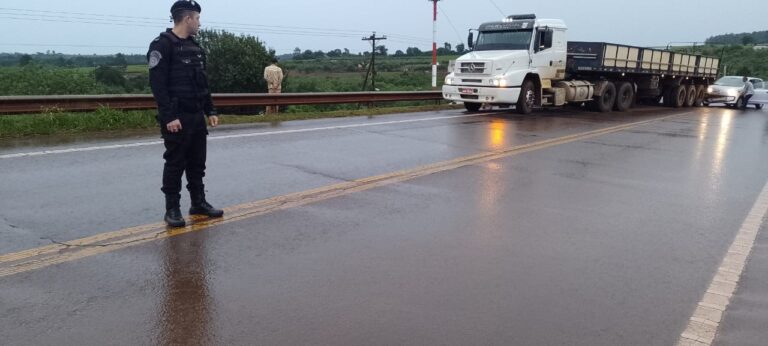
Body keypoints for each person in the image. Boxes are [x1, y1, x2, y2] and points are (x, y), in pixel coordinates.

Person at [147, 0, 223, 227]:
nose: (199, 23)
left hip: (196, 114)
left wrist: (210, 110)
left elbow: (203, 83)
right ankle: (172, 209)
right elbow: (158, 86)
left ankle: (198, 202)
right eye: (197, 18)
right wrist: (169, 116)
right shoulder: (162, 45)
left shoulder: (196, 48)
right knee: (175, 162)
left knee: (197, 162)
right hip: (176, 116)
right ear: (187, 18)